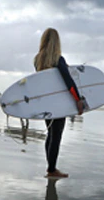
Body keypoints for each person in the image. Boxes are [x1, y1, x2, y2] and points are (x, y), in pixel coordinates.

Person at [34, 28, 84, 179]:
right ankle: (51, 169)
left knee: (51, 134)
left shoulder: (37, 60)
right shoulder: (58, 59)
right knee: (57, 136)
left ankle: (50, 167)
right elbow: (68, 82)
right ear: (57, 42)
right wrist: (78, 100)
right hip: (58, 103)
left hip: (45, 102)